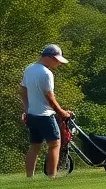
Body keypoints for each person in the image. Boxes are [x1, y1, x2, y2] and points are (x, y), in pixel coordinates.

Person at [18, 45, 73, 179]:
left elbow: (22, 91)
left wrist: (27, 109)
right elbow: (50, 98)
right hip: (45, 115)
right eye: (56, 60)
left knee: (34, 146)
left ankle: (29, 178)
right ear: (48, 57)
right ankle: (51, 177)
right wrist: (62, 112)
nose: (58, 63)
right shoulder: (47, 73)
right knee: (54, 144)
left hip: (32, 115)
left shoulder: (29, 69)